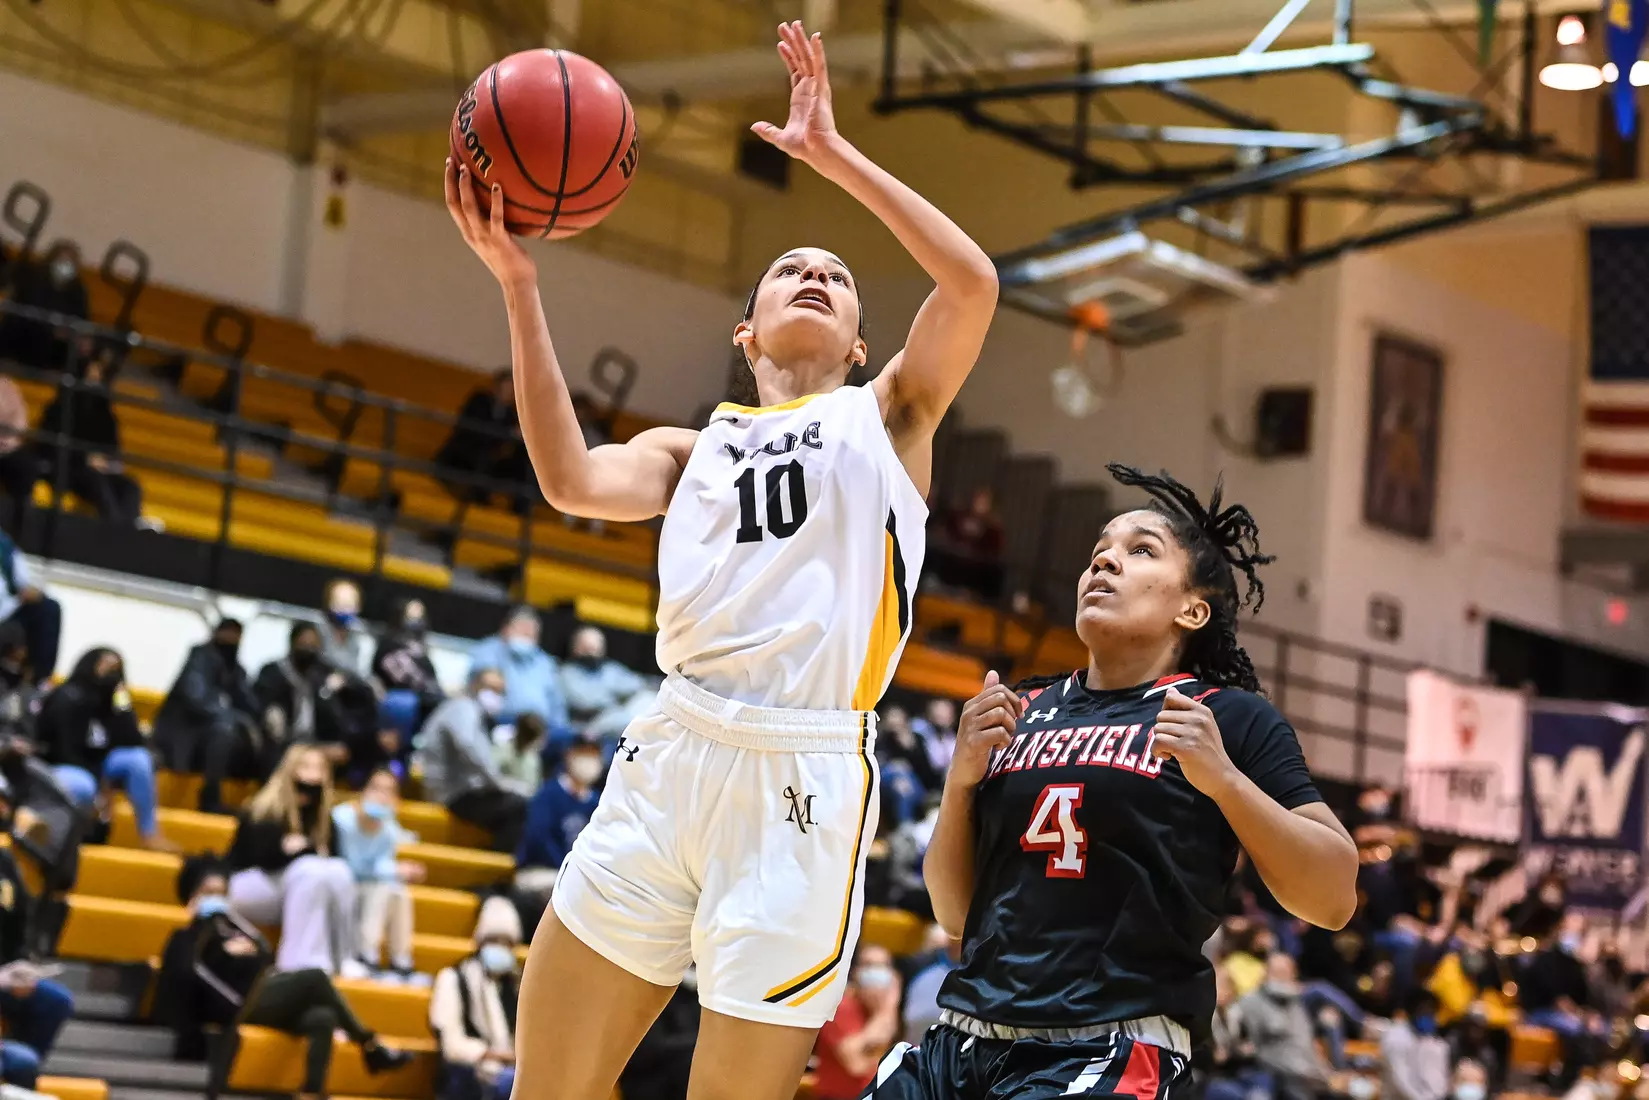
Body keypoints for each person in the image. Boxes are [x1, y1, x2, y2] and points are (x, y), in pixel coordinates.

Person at [445, 18, 997, 1100]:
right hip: (670, 751)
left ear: (853, 343)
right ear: (744, 334)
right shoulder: (689, 447)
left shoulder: (887, 417)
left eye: (834, 276)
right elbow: (567, 478)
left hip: (802, 775)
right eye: (788, 267)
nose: (810, 271)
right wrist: (517, 281)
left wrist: (830, 156)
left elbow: (970, 283)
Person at [884, 464, 1358, 1100]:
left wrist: (1224, 782)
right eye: (1097, 554)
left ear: (1193, 608)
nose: (1103, 565)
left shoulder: (1228, 716)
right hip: (960, 1039)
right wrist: (961, 783)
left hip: (1111, 1045)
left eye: (1139, 552)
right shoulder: (1021, 707)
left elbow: (1332, 897)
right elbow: (955, 914)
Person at [153, 856, 412, 1093]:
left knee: (323, 1017)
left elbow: (267, 961)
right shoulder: (186, 936)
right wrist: (213, 940)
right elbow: (189, 974)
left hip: (263, 999)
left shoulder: (242, 930)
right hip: (239, 1004)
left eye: (221, 893)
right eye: (208, 893)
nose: (216, 899)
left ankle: (311, 1092)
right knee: (315, 977)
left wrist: (250, 951)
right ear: (191, 897)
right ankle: (370, 1045)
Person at [225, 744, 360, 975]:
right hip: (249, 884)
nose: (312, 774)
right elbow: (265, 858)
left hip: (298, 888)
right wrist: (304, 851)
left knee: (338, 870)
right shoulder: (264, 809)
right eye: (305, 766)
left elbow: (330, 859)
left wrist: (300, 849)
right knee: (309, 869)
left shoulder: (325, 819)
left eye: (319, 768)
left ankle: (344, 958)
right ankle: (297, 964)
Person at [35, 646, 167, 848]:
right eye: (106, 665)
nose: (111, 672)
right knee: (84, 784)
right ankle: (71, 838)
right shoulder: (67, 697)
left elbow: (134, 740)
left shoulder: (111, 703)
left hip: (96, 765)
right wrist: (100, 787)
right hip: (62, 766)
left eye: (117, 668)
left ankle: (149, 833)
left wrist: (121, 700)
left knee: (139, 759)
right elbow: (64, 751)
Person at [0, 773, 76, 1091]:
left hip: (4, 974)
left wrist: (20, 967)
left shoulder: (4, 861)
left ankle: (17, 1072)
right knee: (21, 1062)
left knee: (54, 1001)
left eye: (4, 803)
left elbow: (21, 921)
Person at [152, 618, 263, 813]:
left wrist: (253, 720)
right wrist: (235, 718)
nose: (231, 639)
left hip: (211, 737)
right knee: (224, 729)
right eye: (227, 633)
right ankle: (210, 796)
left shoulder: (236, 670)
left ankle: (261, 806)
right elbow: (197, 699)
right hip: (185, 733)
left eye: (236, 635)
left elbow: (250, 705)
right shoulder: (200, 657)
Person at [415, 668, 529, 853]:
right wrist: (497, 783)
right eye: (490, 688)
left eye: (500, 691)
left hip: (464, 791)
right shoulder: (463, 707)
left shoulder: (477, 716)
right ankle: (498, 872)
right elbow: (467, 746)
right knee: (518, 805)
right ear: (474, 685)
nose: (495, 695)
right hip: (451, 793)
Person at [253, 621, 382, 776]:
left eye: (313, 644)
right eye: (303, 643)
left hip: (317, 742)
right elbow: (263, 711)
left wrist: (345, 684)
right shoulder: (273, 672)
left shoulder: (323, 674)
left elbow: (361, 692)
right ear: (292, 643)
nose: (308, 648)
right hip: (284, 743)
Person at [332, 768, 425, 981]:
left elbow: (383, 863)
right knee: (384, 886)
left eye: (389, 791)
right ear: (363, 791)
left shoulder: (389, 827)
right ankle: (366, 954)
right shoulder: (341, 819)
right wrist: (396, 870)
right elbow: (351, 866)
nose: (381, 796)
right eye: (376, 788)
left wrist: (403, 870)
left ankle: (401, 961)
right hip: (343, 885)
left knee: (399, 892)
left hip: (371, 886)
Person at [429, 896, 521, 1100]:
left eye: (506, 943)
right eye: (493, 940)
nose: (500, 947)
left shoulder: (516, 984)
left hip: (509, 1071)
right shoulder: (454, 978)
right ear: (479, 942)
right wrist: (496, 1055)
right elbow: (451, 1045)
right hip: (469, 1073)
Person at [512, 732, 602, 935]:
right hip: (540, 872)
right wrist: (568, 871)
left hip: (579, 879)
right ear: (569, 755)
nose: (588, 760)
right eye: (583, 753)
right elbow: (537, 839)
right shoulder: (548, 793)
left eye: (593, 754)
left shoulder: (599, 803)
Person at [37, 354, 143, 526]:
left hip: (100, 469)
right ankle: (114, 531)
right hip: (69, 467)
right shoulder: (60, 407)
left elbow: (113, 446)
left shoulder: (105, 414)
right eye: (89, 375)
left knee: (131, 486)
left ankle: (130, 532)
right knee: (97, 483)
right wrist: (86, 459)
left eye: (97, 375)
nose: (94, 380)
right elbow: (50, 444)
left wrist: (105, 461)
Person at [812, 946, 902, 1100]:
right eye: (869, 965)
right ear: (855, 972)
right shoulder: (842, 1007)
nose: (876, 972)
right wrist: (886, 1010)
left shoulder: (884, 1011)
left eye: (883, 966)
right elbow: (856, 1065)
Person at [467, 606, 570, 741]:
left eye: (531, 633)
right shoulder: (489, 650)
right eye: (523, 630)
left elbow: (557, 705)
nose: (527, 636)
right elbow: (487, 681)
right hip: (501, 722)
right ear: (506, 629)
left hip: (541, 728)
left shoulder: (546, 663)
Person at [435, 368, 527, 502]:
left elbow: (504, 441)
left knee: (520, 464)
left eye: (513, 390)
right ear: (497, 386)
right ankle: (477, 501)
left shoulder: (511, 414)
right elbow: (475, 427)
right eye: (507, 387)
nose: (509, 393)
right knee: (484, 457)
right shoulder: (480, 400)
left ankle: (520, 510)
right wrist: (508, 432)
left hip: (490, 457)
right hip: (466, 450)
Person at [374, 597, 445, 761]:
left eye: (420, 617)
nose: (416, 621)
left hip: (425, 699)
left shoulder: (422, 650)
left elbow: (432, 678)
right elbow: (397, 676)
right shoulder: (388, 643)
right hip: (396, 696)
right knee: (405, 703)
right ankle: (400, 754)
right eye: (412, 616)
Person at [0, 244, 89, 373]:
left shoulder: (78, 289)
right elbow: (25, 312)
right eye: (62, 261)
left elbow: (82, 319)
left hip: (60, 342)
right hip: (26, 336)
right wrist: (53, 329)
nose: (65, 266)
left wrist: (79, 335)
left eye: (71, 263)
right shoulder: (33, 278)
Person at [0, 527, 60, 685]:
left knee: (49, 608)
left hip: (8, 610)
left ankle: (38, 679)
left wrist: (31, 592)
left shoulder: (4, 543)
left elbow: (23, 584)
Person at [559, 626, 643, 738]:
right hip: (587, 727)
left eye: (595, 648)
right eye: (586, 647)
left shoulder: (609, 669)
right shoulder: (567, 673)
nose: (591, 652)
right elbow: (584, 703)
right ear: (575, 648)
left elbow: (637, 684)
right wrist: (613, 699)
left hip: (616, 720)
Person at [928, 486, 1005, 601]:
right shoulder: (957, 517)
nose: (978, 504)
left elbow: (993, 555)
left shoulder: (993, 531)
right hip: (950, 568)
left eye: (983, 502)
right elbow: (944, 534)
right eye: (977, 499)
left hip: (974, 576)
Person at [1380, 991, 1450, 1100]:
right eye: (1423, 1010)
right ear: (1411, 1011)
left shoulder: (1435, 1042)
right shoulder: (1396, 1036)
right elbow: (1400, 1080)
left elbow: (1437, 1081)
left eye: (1431, 1011)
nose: (1428, 1014)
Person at [0, 376, 36, 534]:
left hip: (9, 447)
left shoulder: (9, 386)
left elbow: (21, 421)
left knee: (26, 466)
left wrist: (9, 440)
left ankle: (18, 531)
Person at [321, 579, 373, 679]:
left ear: (358, 607)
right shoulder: (317, 629)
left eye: (348, 605)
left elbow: (363, 671)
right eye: (339, 603)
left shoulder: (363, 636)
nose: (343, 609)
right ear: (328, 603)